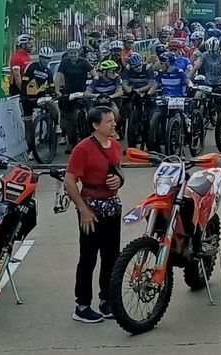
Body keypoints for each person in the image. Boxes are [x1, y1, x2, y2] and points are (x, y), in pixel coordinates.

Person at [63, 106, 123, 323]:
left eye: (113, 120)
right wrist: (83, 210)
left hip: (112, 207)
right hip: (91, 208)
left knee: (111, 256)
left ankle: (106, 300)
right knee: (88, 258)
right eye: (108, 121)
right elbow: (69, 182)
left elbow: (117, 172)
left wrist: (119, 181)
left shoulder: (115, 145)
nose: (113, 124)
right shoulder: (83, 149)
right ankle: (82, 305)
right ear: (96, 125)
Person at [56, 41, 93, 152]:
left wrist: (92, 88)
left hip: (83, 91)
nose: (73, 55)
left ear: (78, 53)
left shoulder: (84, 62)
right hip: (69, 92)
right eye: (71, 53)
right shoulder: (64, 63)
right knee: (70, 119)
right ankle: (72, 143)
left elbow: (95, 75)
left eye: (75, 53)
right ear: (68, 53)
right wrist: (57, 90)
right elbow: (58, 76)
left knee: (90, 114)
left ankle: (91, 140)